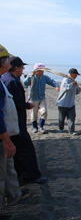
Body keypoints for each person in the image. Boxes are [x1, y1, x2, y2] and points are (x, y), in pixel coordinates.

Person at [2, 57, 47, 184]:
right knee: (26, 149)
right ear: (16, 68)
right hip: (15, 121)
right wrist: (27, 105)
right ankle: (31, 175)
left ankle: (23, 175)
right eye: (22, 67)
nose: (23, 70)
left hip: (14, 120)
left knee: (19, 150)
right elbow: (17, 102)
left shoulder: (7, 79)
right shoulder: (11, 81)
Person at [0, 45, 31, 220]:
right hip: (4, 136)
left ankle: (13, 195)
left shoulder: (2, 80)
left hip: (7, 134)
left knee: (7, 170)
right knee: (1, 175)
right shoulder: (8, 81)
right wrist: (6, 139)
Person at [23, 63, 60, 133]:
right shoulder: (31, 76)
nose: (43, 71)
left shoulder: (44, 77)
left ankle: (41, 126)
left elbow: (51, 81)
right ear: (37, 70)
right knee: (34, 114)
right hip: (33, 98)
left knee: (44, 112)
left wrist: (57, 86)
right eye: (41, 70)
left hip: (42, 98)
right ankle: (35, 128)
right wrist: (30, 76)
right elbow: (25, 83)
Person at [57, 68, 81, 135]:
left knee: (71, 118)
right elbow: (65, 88)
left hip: (71, 103)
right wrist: (72, 84)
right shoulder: (65, 80)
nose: (76, 76)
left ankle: (71, 130)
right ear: (70, 74)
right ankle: (61, 129)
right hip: (63, 103)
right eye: (75, 74)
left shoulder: (74, 81)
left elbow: (76, 91)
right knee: (61, 118)